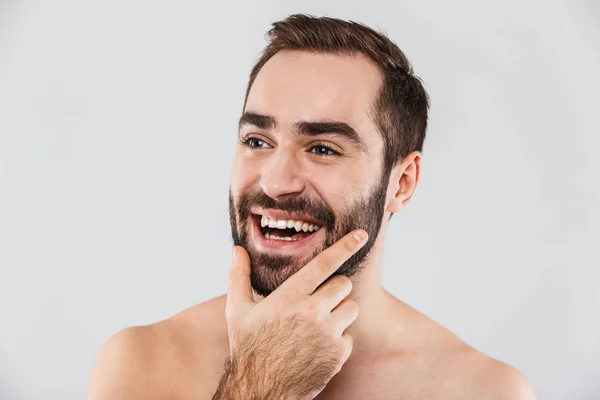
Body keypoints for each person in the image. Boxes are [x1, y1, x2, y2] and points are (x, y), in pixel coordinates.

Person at [86, 14, 536, 400]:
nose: (276, 182)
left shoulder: (483, 390)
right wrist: (260, 383)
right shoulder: (141, 365)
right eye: (257, 141)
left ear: (402, 182)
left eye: (322, 149)